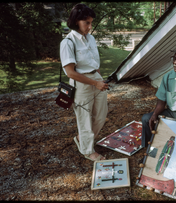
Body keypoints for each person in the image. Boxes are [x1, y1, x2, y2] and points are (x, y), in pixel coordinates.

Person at [60, 3, 108, 161]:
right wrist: (94, 83)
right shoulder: (68, 43)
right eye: (86, 22)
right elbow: (70, 72)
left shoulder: (91, 38)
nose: (90, 26)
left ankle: (82, 138)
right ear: (76, 21)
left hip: (96, 79)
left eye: (91, 22)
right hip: (81, 84)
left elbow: (94, 61)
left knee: (101, 116)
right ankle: (88, 151)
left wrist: (98, 78)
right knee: (84, 119)